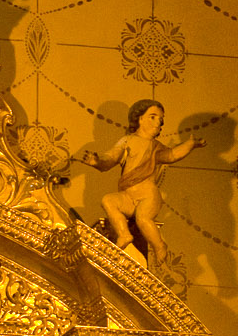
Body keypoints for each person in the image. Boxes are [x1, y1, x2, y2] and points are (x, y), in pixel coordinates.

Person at [76, 99, 202, 264]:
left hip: (148, 195)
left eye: (160, 119)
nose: (158, 122)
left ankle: (159, 246)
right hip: (128, 195)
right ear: (139, 118)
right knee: (108, 200)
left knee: (143, 219)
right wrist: (97, 161)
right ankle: (124, 234)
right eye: (153, 117)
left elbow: (172, 155)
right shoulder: (127, 141)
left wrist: (190, 144)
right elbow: (110, 158)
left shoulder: (156, 147)